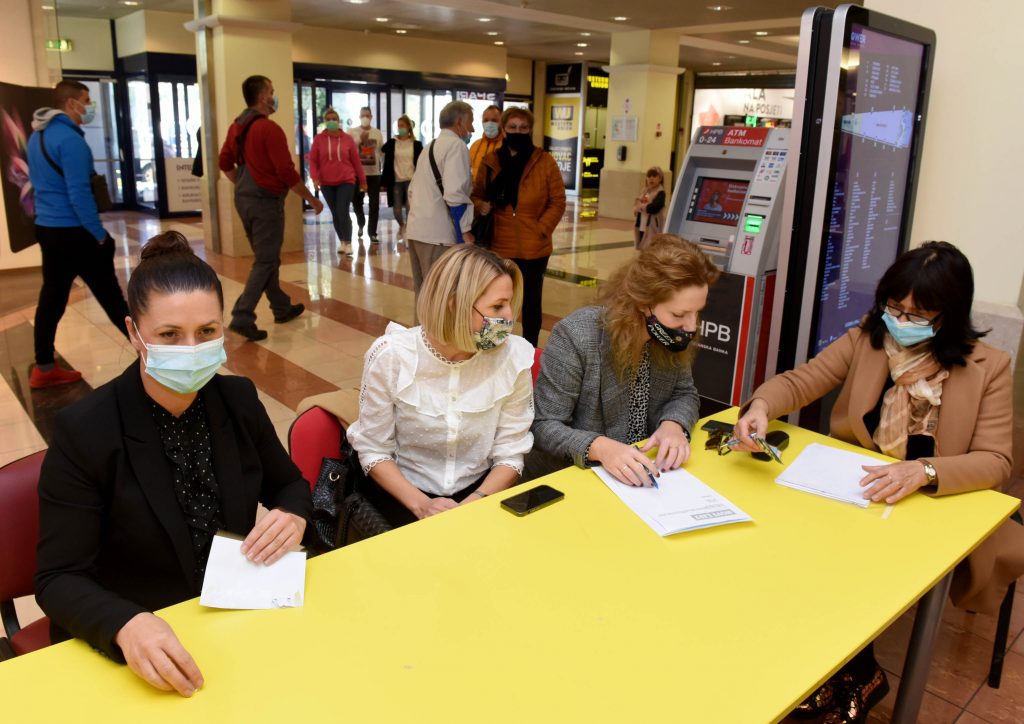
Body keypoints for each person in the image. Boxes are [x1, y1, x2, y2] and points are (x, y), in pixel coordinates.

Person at [733, 241, 1022, 723]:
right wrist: (761, 406)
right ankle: (816, 671)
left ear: (949, 314)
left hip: (930, 504)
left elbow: (996, 461)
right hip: (855, 489)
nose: (901, 322)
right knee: (797, 559)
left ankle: (854, 676)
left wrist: (925, 470)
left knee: (854, 582)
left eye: (919, 313)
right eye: (895, 308)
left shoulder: (987, 367)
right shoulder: (867, 338)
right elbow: (801, 381)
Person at [34, 231, 313, 697]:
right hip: (147, 636)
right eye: (169, 335)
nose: (191, 349)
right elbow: (58, 577)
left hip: (238, 616)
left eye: (207, 332)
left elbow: (289, 485)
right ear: (133, 332)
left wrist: (293, 515)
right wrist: (125, 624)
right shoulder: (87, 429)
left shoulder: (237, 399)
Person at [347, 245, 534, 527]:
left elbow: (511, 451)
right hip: (401, 495)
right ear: (454, 304)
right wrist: (422, 505)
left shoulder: (513, 358)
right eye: (497, 306)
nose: (510, 316)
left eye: (509, 304)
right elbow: (374, 450)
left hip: (483, 491)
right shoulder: (393, 357)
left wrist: (476, 502)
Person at [526, 235, 719, 482]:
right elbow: (544, 426)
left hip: (643, 475)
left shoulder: (669, 338)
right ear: (643, 303)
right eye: (680, 314)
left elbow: (684, 393)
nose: (691, 327)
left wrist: (674, 424)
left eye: (697, 313)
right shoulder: (578, 336)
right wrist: (600, 447)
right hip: (573, 477)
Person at [26, 79, 130, 388]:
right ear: (71, 103)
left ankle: (44, 367)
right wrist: (98, 234)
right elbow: (79, 194)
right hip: (75, 232)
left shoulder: (37, 137)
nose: (89, 106)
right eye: (86, 100)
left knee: (52, 297)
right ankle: (153, 358)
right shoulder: (71, 142)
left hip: (48, 228)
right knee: (112, 298)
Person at [218, 74, 323, 342]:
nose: (275, 96)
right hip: (265, 202)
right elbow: (286, 172)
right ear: (264, 97)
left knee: (268, 258)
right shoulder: (269, 129)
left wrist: (241, 184)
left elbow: (224, 162)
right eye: (273, 91)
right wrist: (310, 199)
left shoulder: (236, 127)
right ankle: (242, 316)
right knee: (265, 261)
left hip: (243, 199)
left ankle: (281, 307)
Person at [472, 107, 566, 347]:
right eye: (512, 127)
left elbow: (557, 201)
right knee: (497, 299)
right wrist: (480, 204)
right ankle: (493, 346)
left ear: (530, 130)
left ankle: (529, 350)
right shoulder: (491, 162)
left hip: (534, 246)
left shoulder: (544, 161)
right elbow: (476, 195)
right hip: (500, 244)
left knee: (532, 302)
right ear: (504, 129)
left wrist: (541, 228)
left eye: (523, 128)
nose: (518, 132)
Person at [405, 100, 476, 296]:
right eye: (470, 122)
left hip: (417, 230)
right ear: (459, 123)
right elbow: (454, 194)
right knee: (439, 297)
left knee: (424, 295)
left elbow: (412, 191)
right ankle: (432, 328)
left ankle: (420, 328)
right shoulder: (457, 146)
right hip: (439, 236)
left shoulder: (430, 146)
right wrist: (465, 231)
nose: (473, 128)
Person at [309, 107, 367, 257]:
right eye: (328, 119)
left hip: (346, 180)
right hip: (327, 183)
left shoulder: (347, 139)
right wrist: (315, 178)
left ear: (339, 121)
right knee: (335, 213)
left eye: (334, 119)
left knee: (342, 210)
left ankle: (348, 242)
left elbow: (356, 162)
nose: (331, 122)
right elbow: (313, 161)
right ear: (324, 122)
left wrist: (362, 180)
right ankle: (342, 240)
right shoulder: (319, 139)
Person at [380, 114, 423, 242]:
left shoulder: (416, 144)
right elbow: (383, 149)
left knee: (410, 207)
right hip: (396, 180)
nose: (400, 128)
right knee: (397, 209)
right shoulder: (393, 142)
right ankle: (402, 225)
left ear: (409, 127)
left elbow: (421, 162)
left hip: (411, 180)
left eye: (402, 126)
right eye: (398, 126)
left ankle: (408, 229)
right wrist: (394, 139)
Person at [348, 106, 384, 243]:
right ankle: (361, 221)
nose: (365, 118)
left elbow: (381, 153)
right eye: (363, 115)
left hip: (374, 175)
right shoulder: (352, 132)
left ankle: (372, 232)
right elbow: (349, 149)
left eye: (368, 115)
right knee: (357, 202)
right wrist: (360, 140)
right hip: (357, 175)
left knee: (374, 205)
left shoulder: (377, 133)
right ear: (359, 116)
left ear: (371, 117)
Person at [633, 166, 666, 249]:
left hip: (653, 226)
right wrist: (638, 206)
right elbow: (637, 204)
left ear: (660, 178)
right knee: (641, 247)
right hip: (641, 225)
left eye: (654, 176)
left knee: (650, 248)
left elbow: (654, 208)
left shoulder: (661, 193)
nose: (651, 179)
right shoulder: (645, 191)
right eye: (649, 176)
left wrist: (642, 207)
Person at [469, 104, 503, 180]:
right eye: (486, 120)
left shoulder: (507, 146)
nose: (489, 124)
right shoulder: (475, 145)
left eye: (494, 120)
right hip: (475, 190)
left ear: (502, 122)